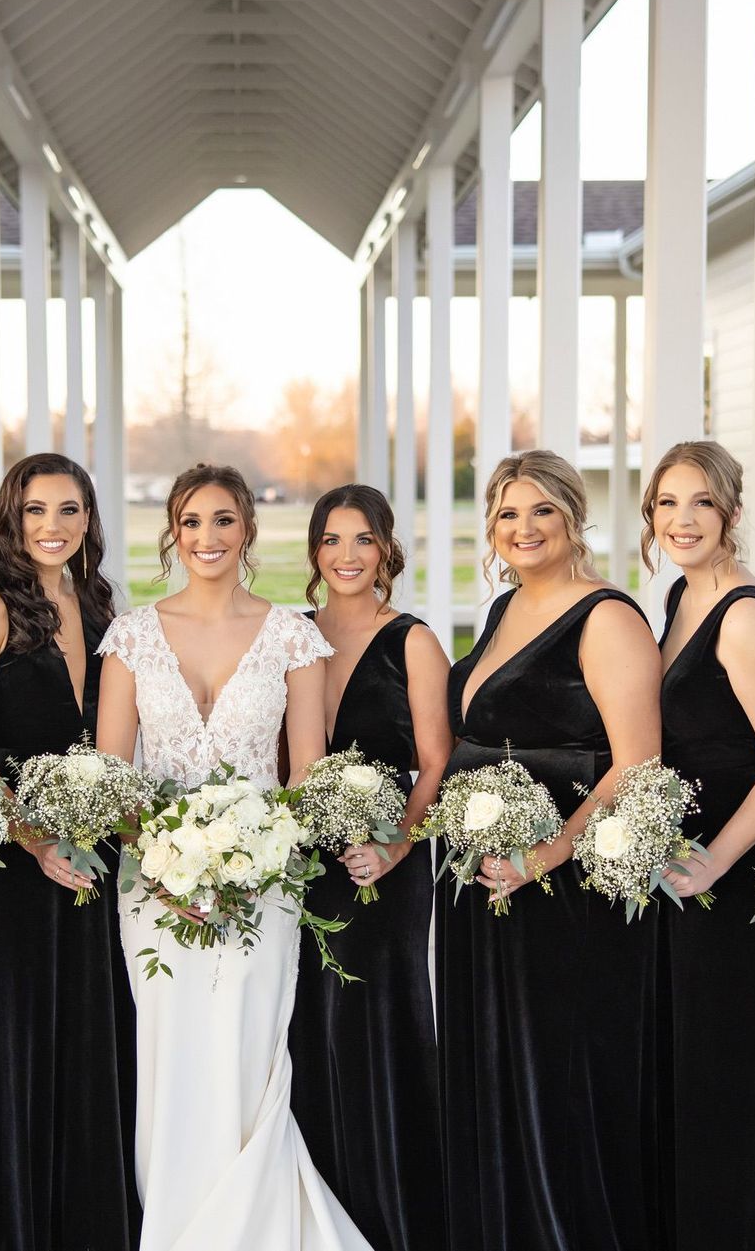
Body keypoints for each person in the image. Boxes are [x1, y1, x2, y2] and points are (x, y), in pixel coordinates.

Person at [94, 463, 369, 1251]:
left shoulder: (292, 635)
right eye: (191, 522)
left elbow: (306, 771)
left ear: (247, 529)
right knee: (173, 1056)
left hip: (265, 884)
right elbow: (115, 775)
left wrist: (252, 857)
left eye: (223, 521)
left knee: (248, 1049)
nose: (207, 537)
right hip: (154, 887)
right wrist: (169, 860)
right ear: (172, 533)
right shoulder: (132, 635)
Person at [437, 451, 664, 1248]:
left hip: (564, 896)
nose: (523, 528)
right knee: (497, 1073)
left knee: (558, 1083)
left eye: (541, 511)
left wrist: (546, 856)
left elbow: (637, 764)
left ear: (573, 516)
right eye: (507, 514)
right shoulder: (503, 608)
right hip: (486, 885)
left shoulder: (607, 615)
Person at [0, 452, 138, 1251]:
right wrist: (33, 837)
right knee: (22, 1049)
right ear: (10, 520)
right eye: (34, 511)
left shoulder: (98, 602)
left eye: (69, 510)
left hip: (97, 854)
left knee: (94, 1040)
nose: (52, 527)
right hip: (21, 866)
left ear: (89, 519)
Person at [648, 440, 755, 1248]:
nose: (683, 519)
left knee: (735, 1072)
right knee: (699, 1071)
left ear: (732, 514)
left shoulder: (745, 613)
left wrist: (715, 857)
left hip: (739, 877)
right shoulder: (681, 599)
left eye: (701, 503)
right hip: (689, 873)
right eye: (668, 504)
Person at [288, 483, 449, 1251]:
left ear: (387, 547)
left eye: (362, 539)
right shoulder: (291, 634)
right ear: (315, 552)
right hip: (307, 866)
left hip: (388, 866)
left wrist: (394, 844)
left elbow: (435, 762)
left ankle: (395, 1213)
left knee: (380, 1023)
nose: (346, 555)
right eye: (331, 539)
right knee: (308, 1025)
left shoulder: (412, 639)